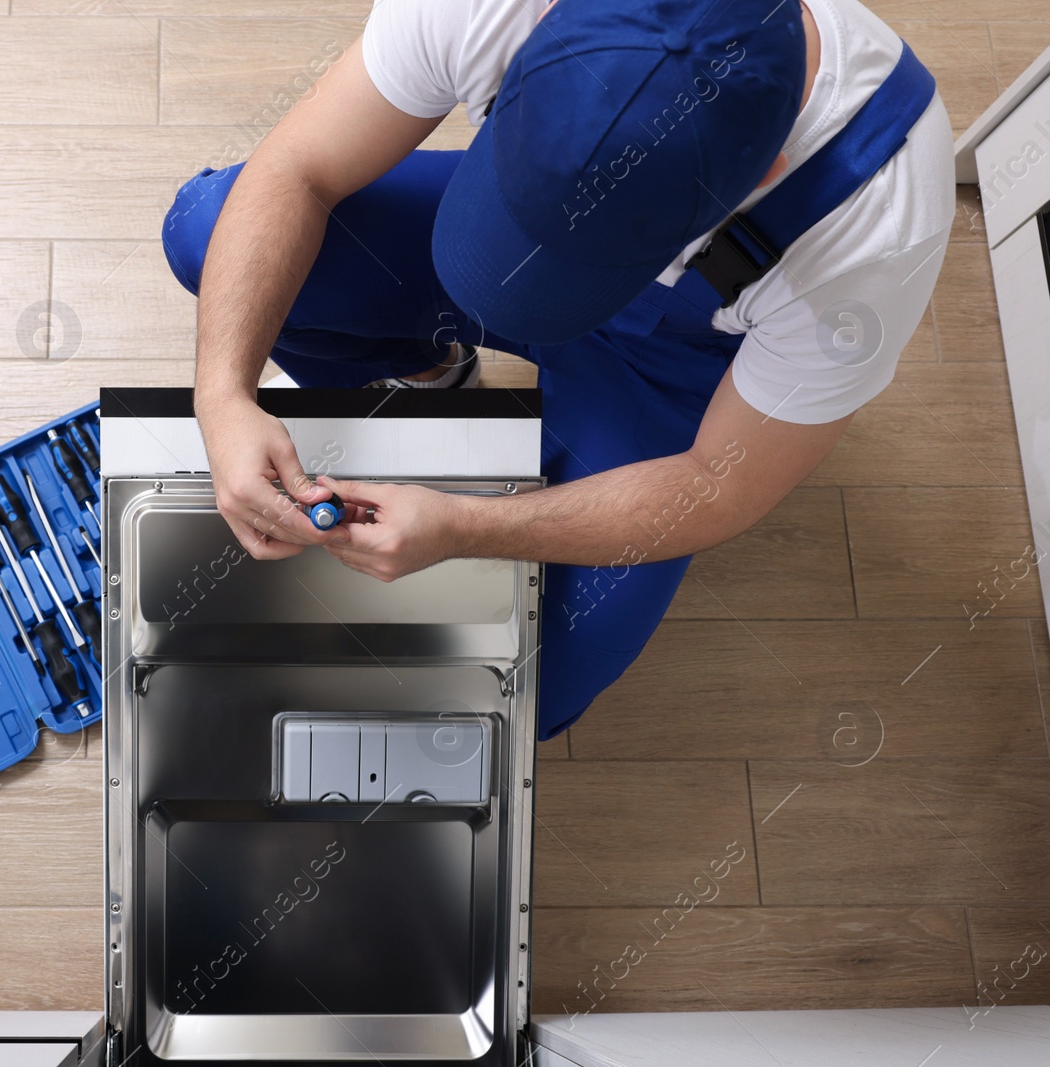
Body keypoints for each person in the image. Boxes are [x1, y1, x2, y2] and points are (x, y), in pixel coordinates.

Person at [160, 0, 954, 740]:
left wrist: (468, 529)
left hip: (664, 373)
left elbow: (721, 480)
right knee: (207, 229)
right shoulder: (481, 9)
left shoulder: (876, 225)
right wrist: (223, 395)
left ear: (762, 170)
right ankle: (431, 374)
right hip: (504, 225)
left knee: (530, 683)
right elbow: (297, 169)